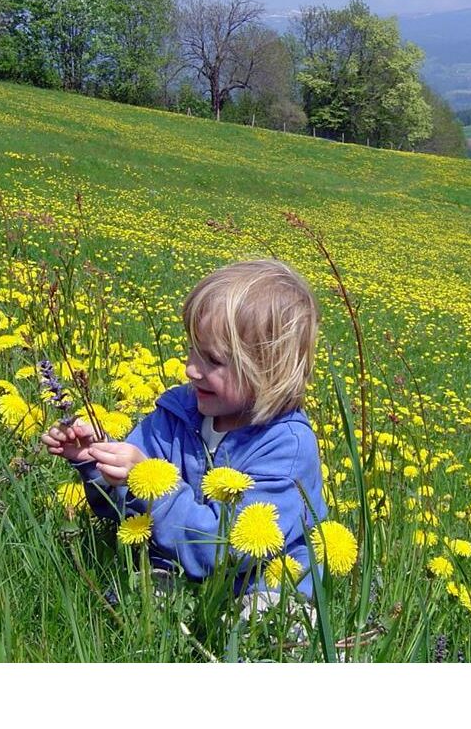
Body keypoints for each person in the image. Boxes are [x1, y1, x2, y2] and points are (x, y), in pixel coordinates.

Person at [41, 258, 328, 611]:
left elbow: (225, 551)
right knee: (133, 602)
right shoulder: (177, 413)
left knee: (271, 625)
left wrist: (155, 486)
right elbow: (123, 514)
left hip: (262, 581)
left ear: (270, 370)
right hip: (175, 565)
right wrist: (97, 466)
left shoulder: (286, 448)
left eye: (214, 360)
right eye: (192, 349)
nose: (191, 368)